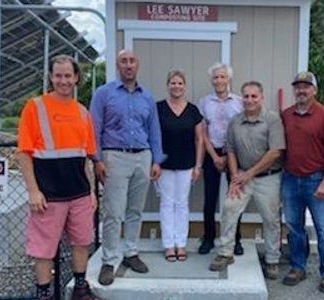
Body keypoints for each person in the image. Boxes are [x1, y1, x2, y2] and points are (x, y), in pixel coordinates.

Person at [16, 54, 100, 300]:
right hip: (48, 194)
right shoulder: (35, 107)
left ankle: (81, 290)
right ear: (51, 77)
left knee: (82, 242)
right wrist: (33, 190)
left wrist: (92, 191)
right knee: (43, 250)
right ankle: (44, 295)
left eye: (68, 76)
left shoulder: (83, 112)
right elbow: (23, 152)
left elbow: (85, 156)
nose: (63, 81)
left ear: (76, 78)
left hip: (79, 193)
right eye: (58, 75)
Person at [90, 49, 165, 286]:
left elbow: (154, 130)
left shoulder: (147, 97)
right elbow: (94, 128)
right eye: (124, 61)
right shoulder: (104, 94)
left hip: (142, 157)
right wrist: (97, 160)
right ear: (117, 65)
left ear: (138, 65)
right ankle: (109, 260)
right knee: (113, 211)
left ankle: (131, 252)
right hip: (115, 157)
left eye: (132, 61)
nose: (128, 65)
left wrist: (156, 160)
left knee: (135, 210)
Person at [208, 81, 286, 280]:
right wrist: (235, 177)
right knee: (229, 207)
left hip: (268, 178)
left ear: (261, 97)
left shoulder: (272, 119)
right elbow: (231, 149)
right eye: (246, 96)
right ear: (241, 98)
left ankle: (272, 259)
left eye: (254, 96)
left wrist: (248, 174)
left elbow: (275, 152)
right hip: (241, 176)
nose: (249, 100)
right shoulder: (235, 121)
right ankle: (225, 252)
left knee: (271, 220)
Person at [281, 71, 324, 294]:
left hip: (317, 178)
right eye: (297, 86)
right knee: (294, 228)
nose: (301, 90)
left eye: (306, 87)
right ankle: (298, 267)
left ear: (314, 90)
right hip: (290, 179)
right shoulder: (286, 115)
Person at [156, 70, 204, 262]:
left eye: (180, 83)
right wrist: (154, 162)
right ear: (168, 85)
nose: (176, 86)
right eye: (173, 83)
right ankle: (168, 245)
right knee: (167, 204)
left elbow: (200, 139)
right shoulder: (158, 108)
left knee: (182, 204)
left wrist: (198, 166)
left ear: (185, 86)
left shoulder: (193, 111)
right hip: (164, 165)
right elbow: (153, 137)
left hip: (187, 165)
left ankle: (180, 243)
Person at [197, 63, 244, 255]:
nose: (219, 81)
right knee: (210, 198)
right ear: (211, 80)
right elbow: (202, 132)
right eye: (216, 77)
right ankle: (208, 238)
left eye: (223, 77)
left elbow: (242, 130)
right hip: (212, 154)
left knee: (235, 198)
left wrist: (228, 156)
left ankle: (236, 239)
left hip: (234, 154)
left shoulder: (239, 102)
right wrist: (215, 156)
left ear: (229, 79)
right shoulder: (204, 102)